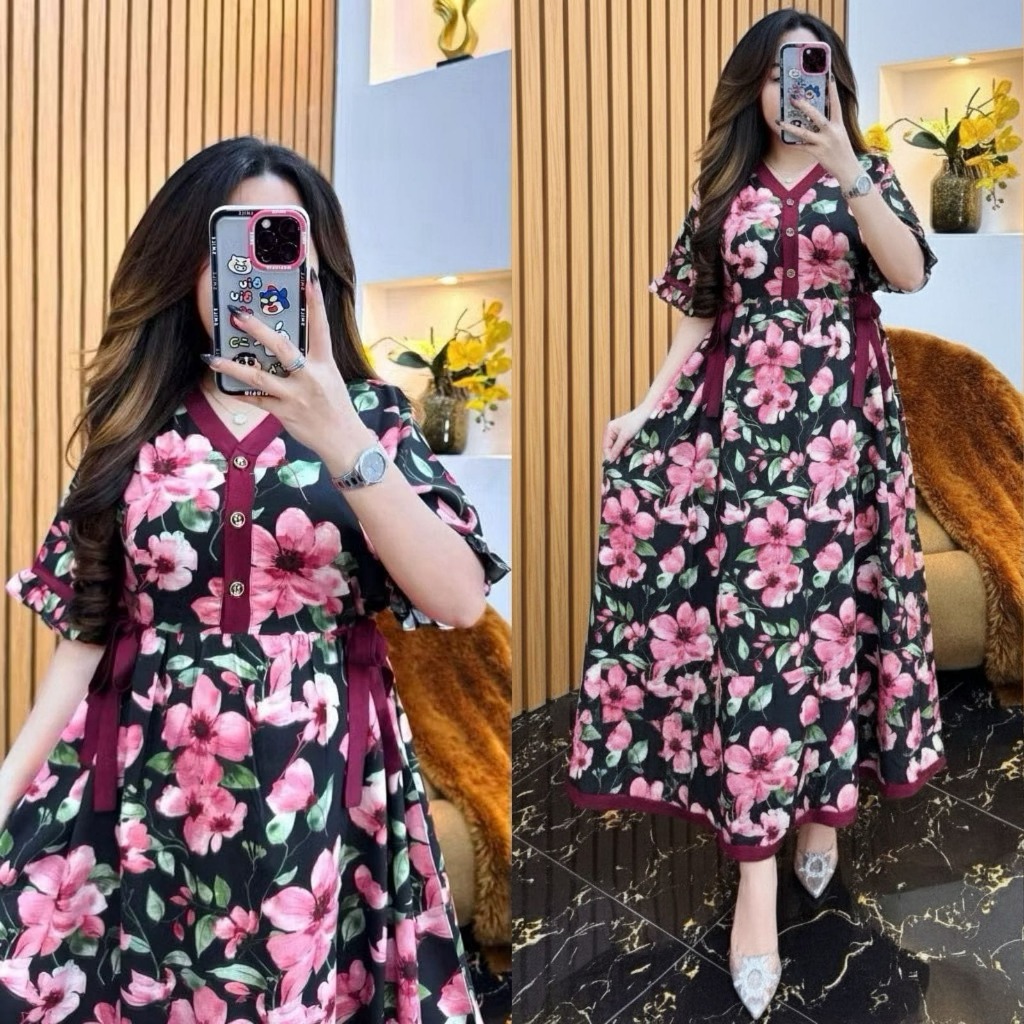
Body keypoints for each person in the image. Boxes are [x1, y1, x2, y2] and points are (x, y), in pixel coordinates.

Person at [0, 137, 510, 1023]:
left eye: (283, 242)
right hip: (146, 777)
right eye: (229, 244)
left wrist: (340, 433)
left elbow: (458, 599)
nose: (253, 273)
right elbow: (86, 633)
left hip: (322, 784)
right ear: (187, 263)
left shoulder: (373, 417)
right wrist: (9, 785)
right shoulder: (133, 421)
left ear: (317, 269)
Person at [564, 9, 944, 1019]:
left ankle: (822, 810)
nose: (790, 93)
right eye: (775, 76)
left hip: (844, 442)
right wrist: (646, 408)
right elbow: (699, 317)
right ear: (751, 88)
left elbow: (906, 273)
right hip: (738, 444)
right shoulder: (722, 189)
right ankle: (756, 881)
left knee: (834, 630)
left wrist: (847, 163)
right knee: (760, 639)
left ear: (835, 85)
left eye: (807, 73)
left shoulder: (866, 169)